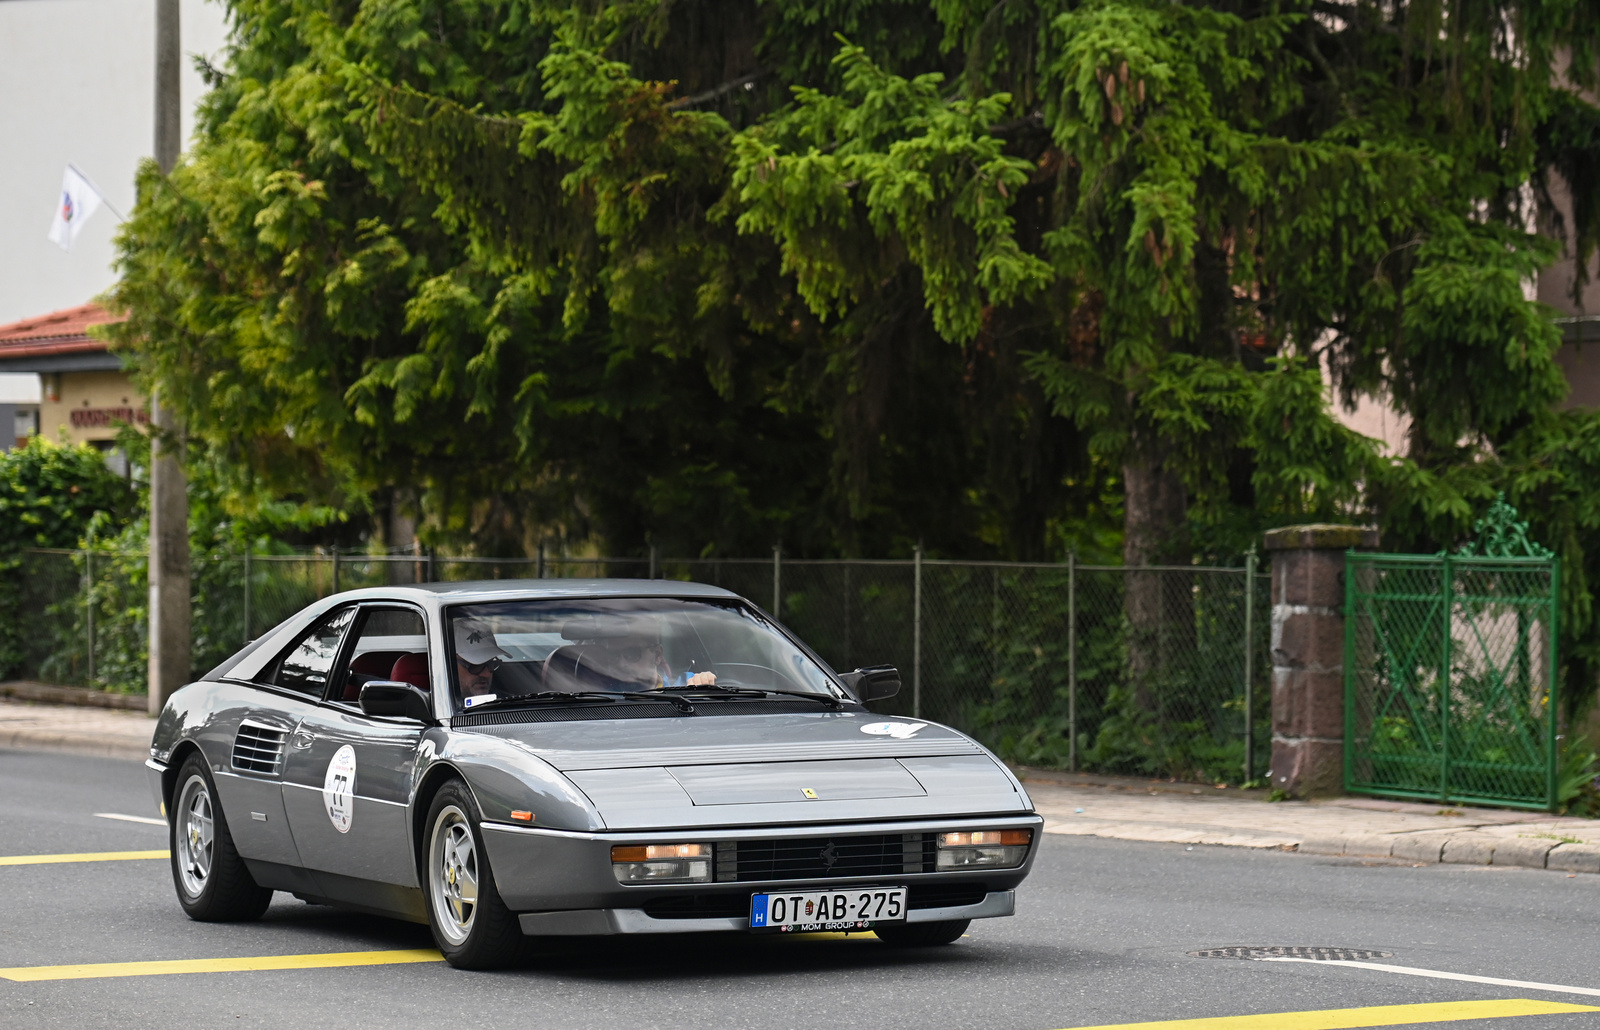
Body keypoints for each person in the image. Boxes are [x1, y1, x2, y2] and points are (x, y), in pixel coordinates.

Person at [584, 633, 717, 691]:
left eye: (632, 654)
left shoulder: (686, 686)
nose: (621, 664)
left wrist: (706, 682)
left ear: (658, 655)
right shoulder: (597, 695)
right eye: (614, 655)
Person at [454, 617, 511, 697]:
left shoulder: (507, 702)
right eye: (475, 665)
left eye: (491, 664)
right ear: (451, 666)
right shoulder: (438, 705)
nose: (487, 674)